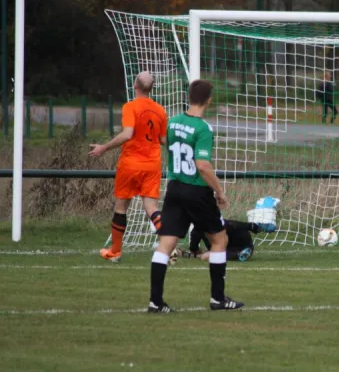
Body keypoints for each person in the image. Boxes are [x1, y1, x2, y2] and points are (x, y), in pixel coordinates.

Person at [148, 79, 243, 313]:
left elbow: (165, 143)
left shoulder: (173, 122)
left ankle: (155, 302)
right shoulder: (203, 129)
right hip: (196, 191)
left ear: (189, 97)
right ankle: (218, 299)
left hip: (174, 188)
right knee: (220, 240)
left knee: (166, 245)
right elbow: (202, 165)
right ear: (208, 100)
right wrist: (219, 191)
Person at [89, 71, 167, 262]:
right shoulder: (160, 110)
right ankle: (168, 248)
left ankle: (115, 252)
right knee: (151, 207)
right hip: (152, 164)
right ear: (151, 88)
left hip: (131, 164)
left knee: (121, 206)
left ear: (135, 85)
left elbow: (127, 133)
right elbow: (163, 139)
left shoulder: (130, 107)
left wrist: (104, 148)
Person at [179, 220, 275, 262]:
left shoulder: (221, 225)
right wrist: (194, 252)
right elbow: (194, 246)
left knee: (206, 256)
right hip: (226, 247)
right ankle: (239, 255)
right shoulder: (198, 230)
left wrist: (255, 226)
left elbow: (235, 224)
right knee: (206, 256)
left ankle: (241, 253)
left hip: (242, 244)